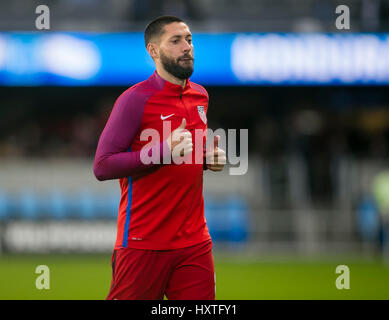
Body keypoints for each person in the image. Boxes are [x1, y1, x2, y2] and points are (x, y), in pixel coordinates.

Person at [93, 15, 226, 300]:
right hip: (142, 242)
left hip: (195, 242)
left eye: (189, 39)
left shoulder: (200, 96)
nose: (186, 47)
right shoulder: (134, 99)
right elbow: (102, 166)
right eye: (175, 41)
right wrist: (162, 152)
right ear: (153, 51)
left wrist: (205, 159)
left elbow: (181, 154)